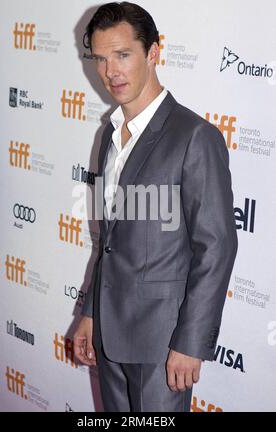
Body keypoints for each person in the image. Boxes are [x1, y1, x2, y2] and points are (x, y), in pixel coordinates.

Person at [74, 1, 238, 412]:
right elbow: (109, 243)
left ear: (153, 53)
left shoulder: (194, 136)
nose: (111, 71)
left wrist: (190, 342)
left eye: (123, 55)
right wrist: (91, 313)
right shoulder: (108, 137)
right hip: (109, 335)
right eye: (101, 58)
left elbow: (216, 247)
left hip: (162, 345)